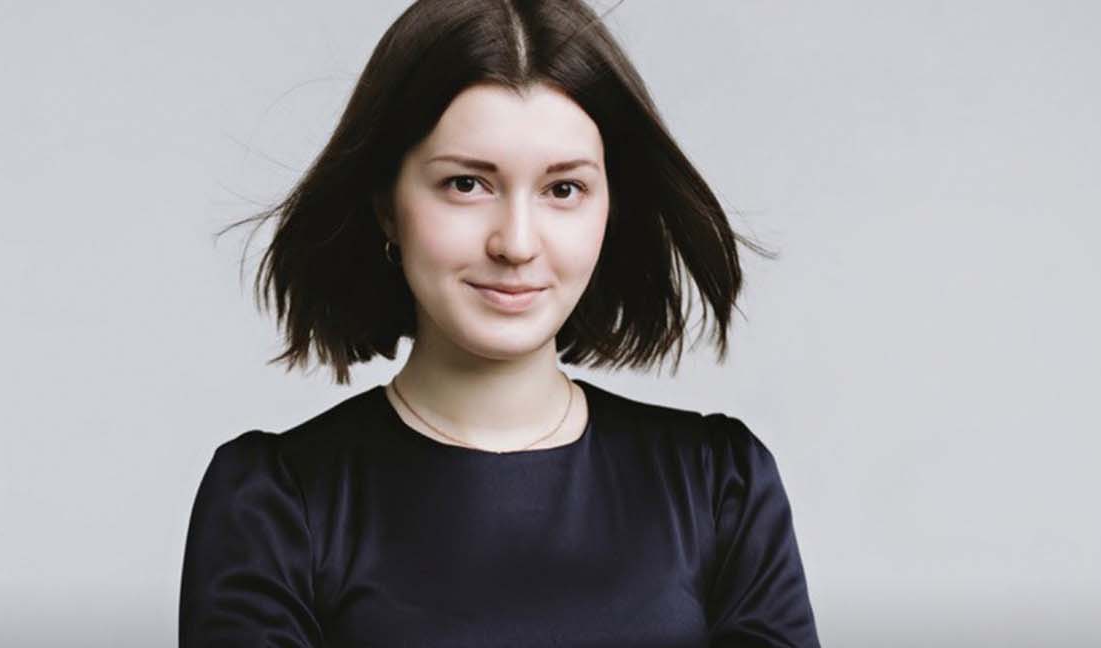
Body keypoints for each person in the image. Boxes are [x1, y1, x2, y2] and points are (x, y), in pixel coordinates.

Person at [180, 1, 820, 645]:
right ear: (386, 207)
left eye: (563, 189)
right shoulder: (275, 507)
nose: (515, 243)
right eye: (465, 184)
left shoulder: (719, 489)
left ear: (610, 209)